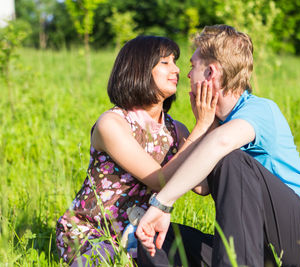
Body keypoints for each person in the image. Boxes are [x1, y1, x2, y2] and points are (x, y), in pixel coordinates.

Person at [136, 25, 300, 267]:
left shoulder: (259, 110)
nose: (186, 74)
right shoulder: (219, 127)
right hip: (256, 248)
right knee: (156, 237)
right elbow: (202, 186)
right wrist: (205, 125)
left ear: (210, 73)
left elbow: (221, 145)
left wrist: (162, 203)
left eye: (193, 66)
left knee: (232, 159)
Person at [55, 35, 218, 265]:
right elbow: (159, 180)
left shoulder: (176, 130)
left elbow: (202, 187)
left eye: (175, 61)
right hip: (93, 235)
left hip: (141, 230)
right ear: (139, 69)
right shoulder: (112, 123)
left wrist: (211, 126)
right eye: (165, 62)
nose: (177, 70)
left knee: (207, 253)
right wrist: (200, 127)